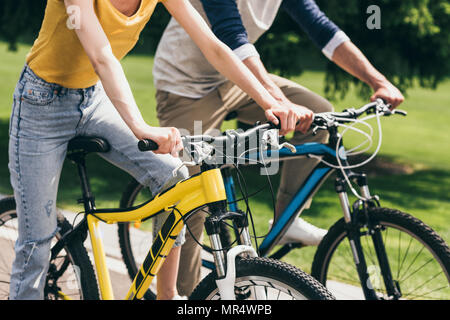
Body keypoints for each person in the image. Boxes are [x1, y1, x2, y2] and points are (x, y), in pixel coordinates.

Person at [8, 0, 308, 300]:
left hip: (93, 98)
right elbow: (102, 57)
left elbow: (213, 46)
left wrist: (270, 101)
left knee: (173, 175)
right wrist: (141, 127)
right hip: (40, 104)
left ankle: (167, 294)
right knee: (36, 243)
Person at [152, 0, 405, 297]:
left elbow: (322, 29)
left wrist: (378, 81)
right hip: (186, 88)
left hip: (236, 80)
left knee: (318, 115)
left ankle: (286, 220)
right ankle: (187, 294)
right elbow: (231, 34)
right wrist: (277, 101)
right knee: (193, 191)